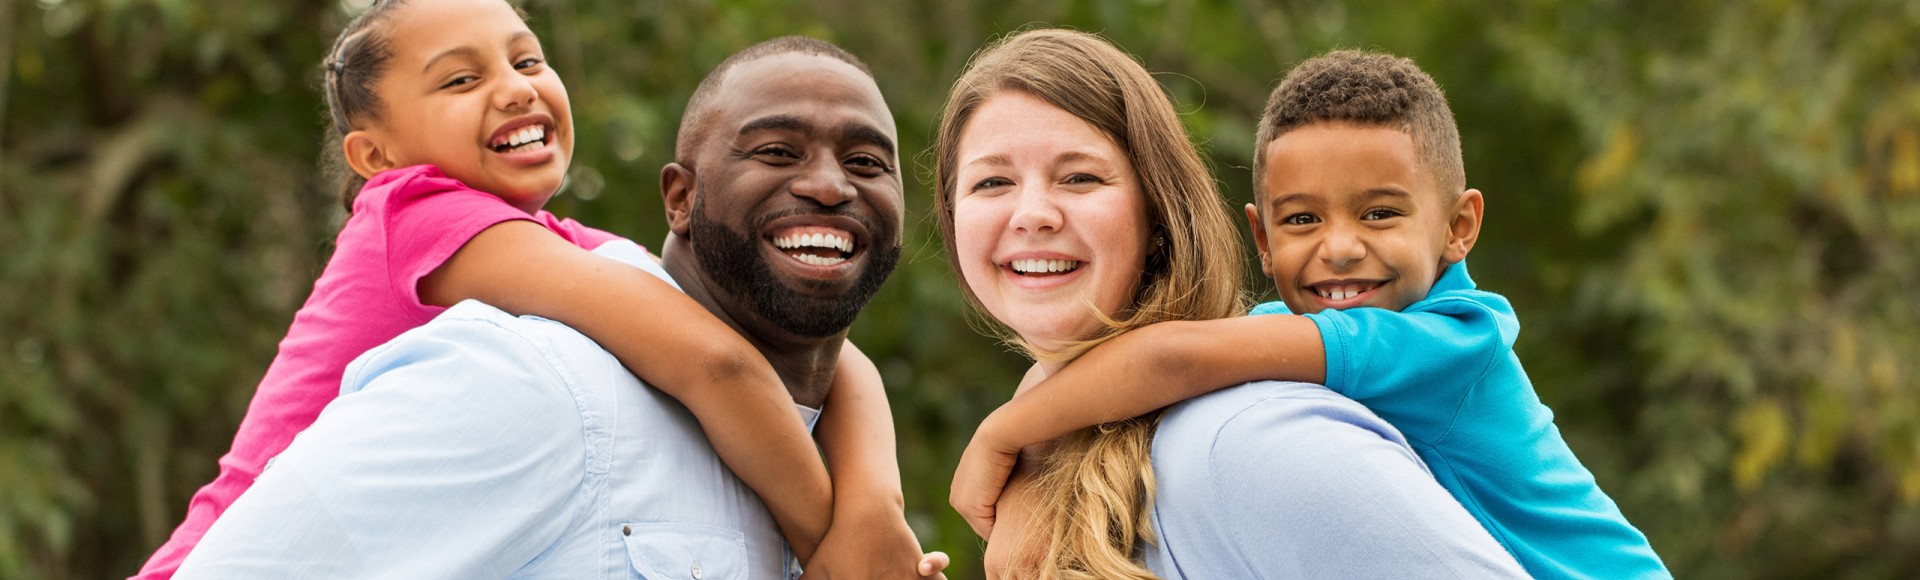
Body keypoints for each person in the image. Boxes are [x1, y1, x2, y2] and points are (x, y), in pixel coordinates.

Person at [136, 0, 932, 575]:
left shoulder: (563, 249)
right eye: (459, 81)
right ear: (376, 156)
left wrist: (875, 507)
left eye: (526, 59)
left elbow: (829, 357)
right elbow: (715, 363)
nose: (515, 88)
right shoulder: (411, 213)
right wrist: (828, 544)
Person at [948, 49, 1671, 578]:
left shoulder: (1449, 339)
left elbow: (1171, 359)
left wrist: (1001, 438)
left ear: (1459, 226)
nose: (1342, 248)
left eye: (1380, 212)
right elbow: (1160, 360)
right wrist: (1033, 472)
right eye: (1302, 221)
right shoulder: (1293, 342)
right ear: (1261, 238)